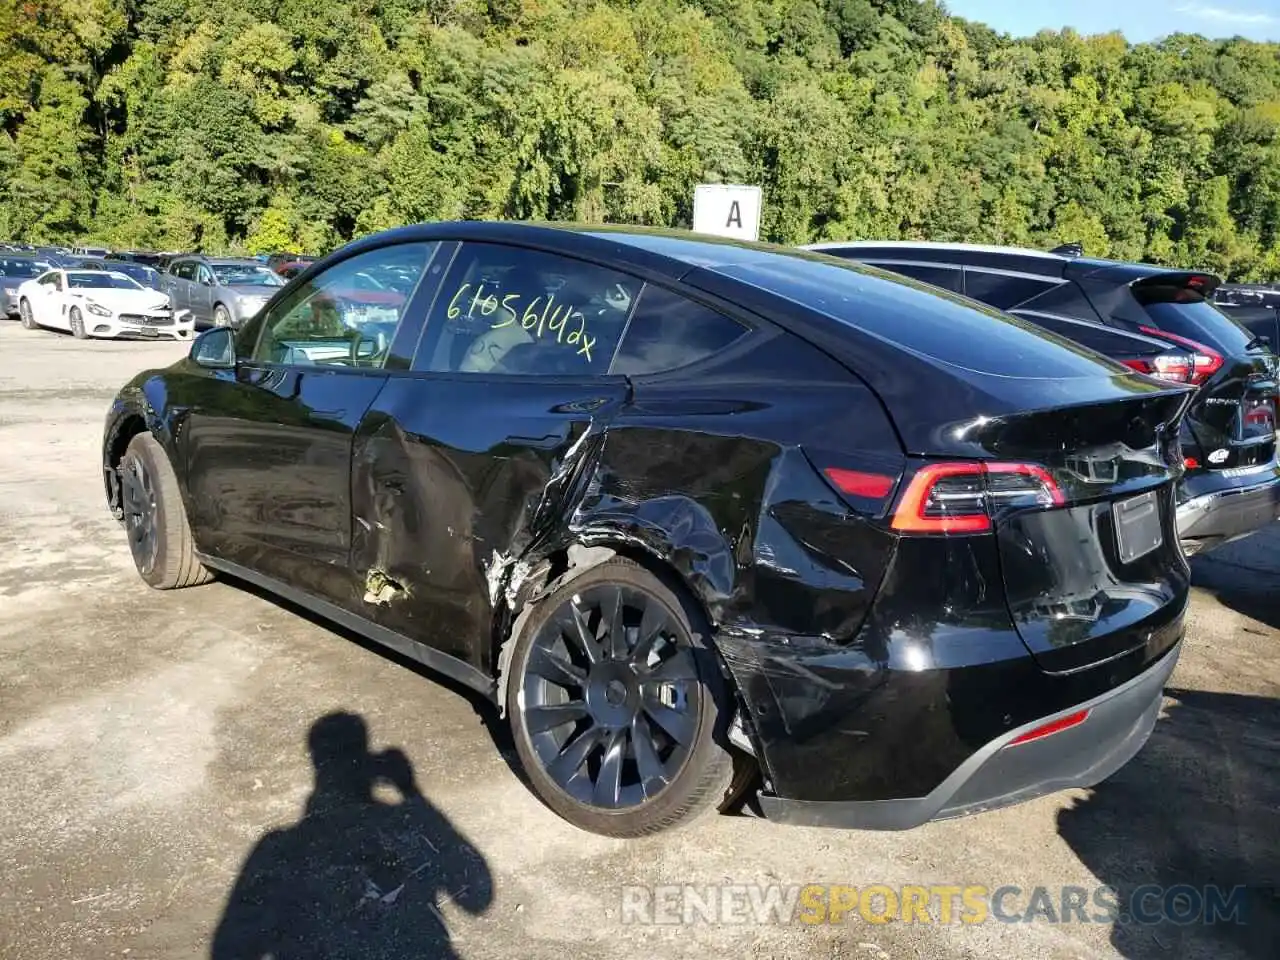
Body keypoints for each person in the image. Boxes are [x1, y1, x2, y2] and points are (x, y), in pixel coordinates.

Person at [211, 712, 492, 959]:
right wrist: (411, 791)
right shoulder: (403, 824)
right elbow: (478, 897)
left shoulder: (276, 847)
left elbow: (230, 946)